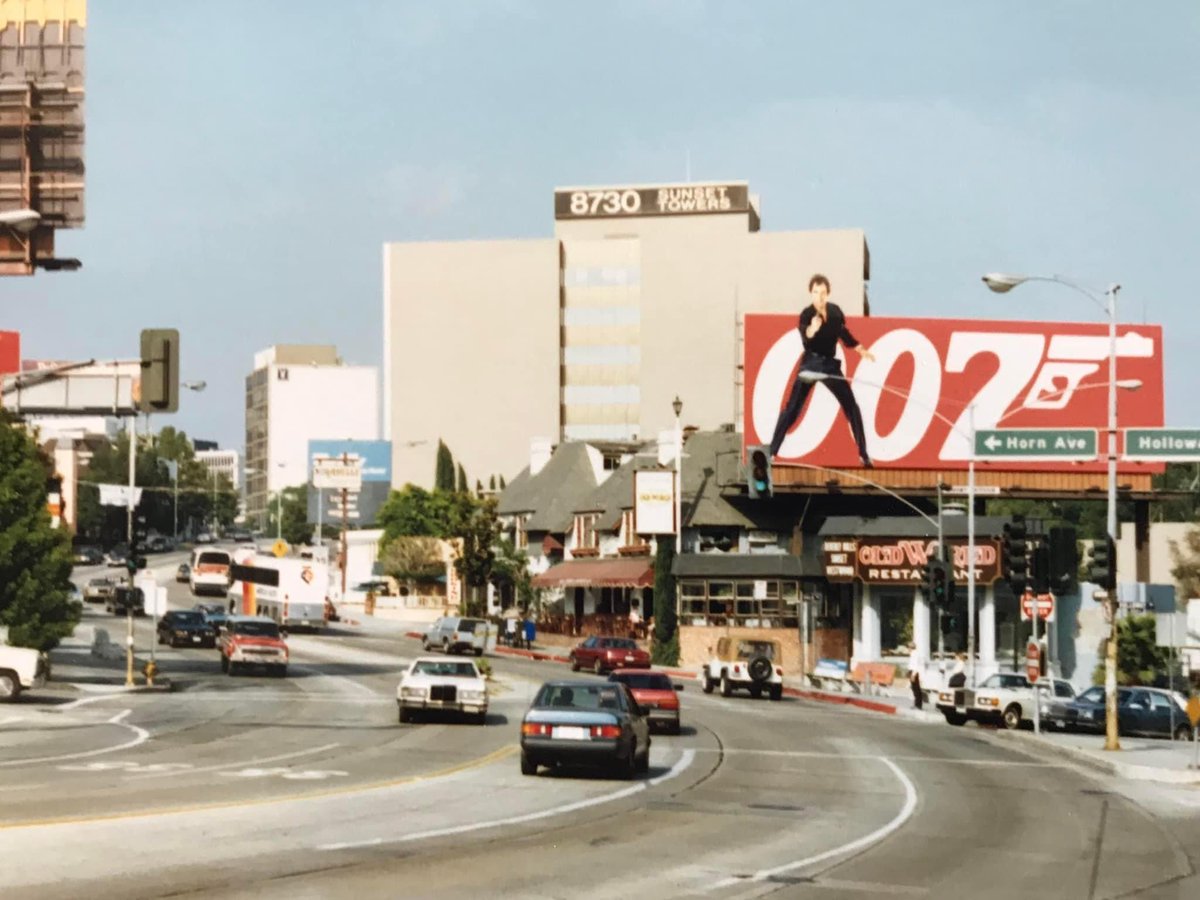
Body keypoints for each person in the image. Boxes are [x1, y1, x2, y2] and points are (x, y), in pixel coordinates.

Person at [768, 273, 876, 467]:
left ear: (828, 294)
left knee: (851, 406)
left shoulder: (835, 312)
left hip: (829, 366)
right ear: (811, 294)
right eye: (816, 293)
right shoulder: (807, 315)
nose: (819, 297)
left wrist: (860, 349)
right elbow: (806, 336)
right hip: (811, 364)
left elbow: (843, 333)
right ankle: (771, 452)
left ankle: (864, 454)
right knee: (792, 409)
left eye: (823, 293)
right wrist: (813, 328)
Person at [907, 644, 924, 710]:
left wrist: (913, 675)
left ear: (910, 648)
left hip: (914, 672)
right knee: (915, 689)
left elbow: (916, 666)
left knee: (916, 689)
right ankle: (917, 704)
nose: (908, 649)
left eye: (908, 648)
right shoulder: (913, 654)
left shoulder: (914, 655)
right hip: (913, 672)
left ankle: (918, 705)